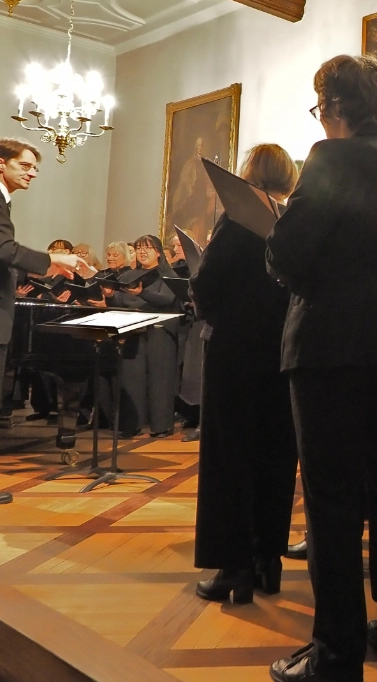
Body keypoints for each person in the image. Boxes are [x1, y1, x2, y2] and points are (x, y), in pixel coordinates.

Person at [265, 53, 377, 682]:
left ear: (335, 107)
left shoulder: (329, 158)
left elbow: (286, 255)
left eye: (320, 109)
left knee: (333, 500)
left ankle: (337, 654)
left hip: (331, 349)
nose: (321, 119)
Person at [191, 144, 300, 604]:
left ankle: (232, 567)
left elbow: (211, 282)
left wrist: (199, 281)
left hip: (235, 351)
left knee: (230, 455)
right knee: (275, 455)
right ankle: (266, 561)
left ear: (249, 173)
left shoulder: (238, 217)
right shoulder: (294, 219)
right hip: (280, 352)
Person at [0, 138, 84, 505]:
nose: (33, 172)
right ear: (0, 163)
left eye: (35, 167)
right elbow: (0, 249)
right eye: (25, 165)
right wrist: (53, 259)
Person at [110, 235, 180, 438]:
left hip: (160, 332)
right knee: (132, 379)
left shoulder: (167, 274)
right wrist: (108, 296)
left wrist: (142, 294)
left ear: (158, 252)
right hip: (134, 331)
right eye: (139, 248)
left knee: (160, 380)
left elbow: (166, 298)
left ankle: (161, 426)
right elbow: (122, 301)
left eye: (147, 248)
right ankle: (132, 425)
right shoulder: (130, 275)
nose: (142, 252)